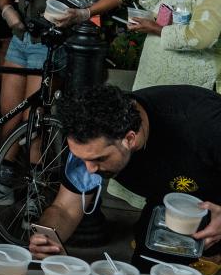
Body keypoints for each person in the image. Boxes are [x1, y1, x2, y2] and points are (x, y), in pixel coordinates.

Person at [0, 0, 120, 205]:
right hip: (20, 41)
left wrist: (81, 13)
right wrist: (11, 14)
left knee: (33, 118)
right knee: (10, 114)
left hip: (50, 46)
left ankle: (35, 187)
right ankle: (5, 180)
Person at [29, 84, 221, 264]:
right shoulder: (90, 144)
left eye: (99, 159)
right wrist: (46, 238)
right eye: (82, 158)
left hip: (213, 193)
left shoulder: (205, 125)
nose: (89, 169)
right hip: (170, 201)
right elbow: (64, 209)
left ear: (130, 138)